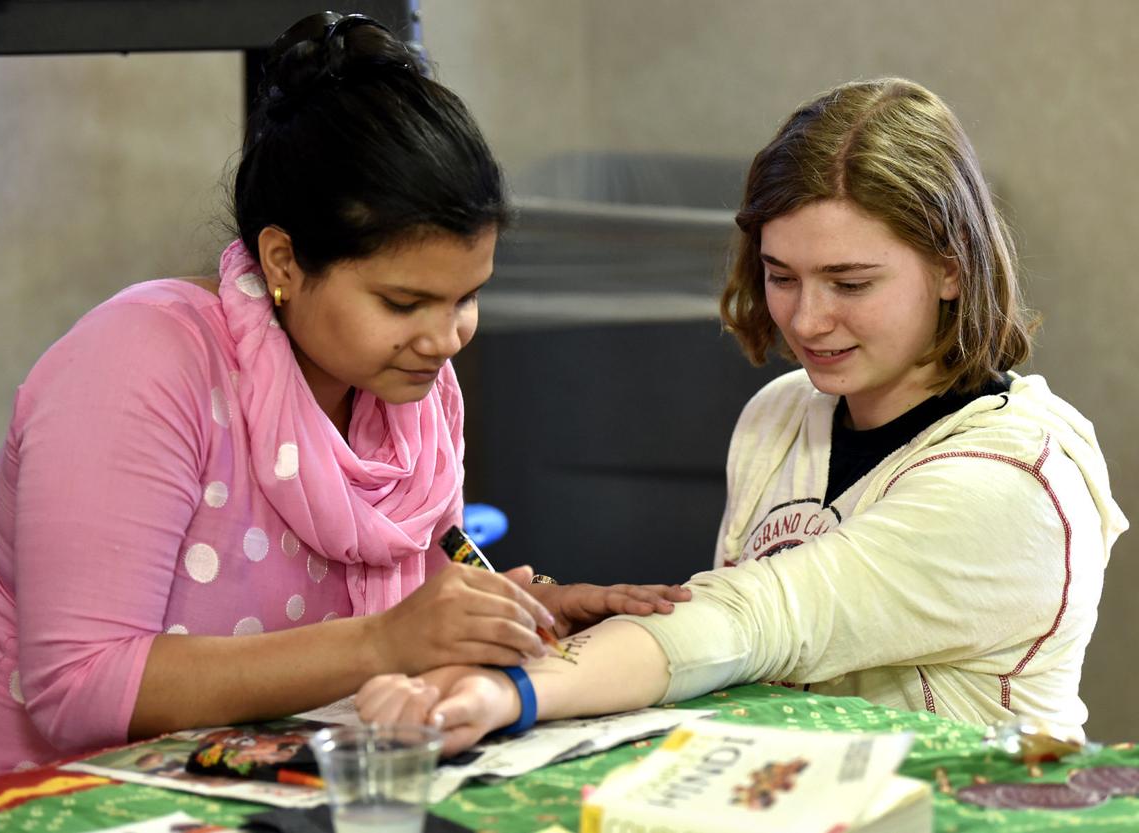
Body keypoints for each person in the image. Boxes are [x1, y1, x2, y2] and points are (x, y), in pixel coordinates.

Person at [0, 12, 687, 783]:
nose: (447, 337)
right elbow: (82, 686)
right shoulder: (138, 366)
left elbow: (415, 594)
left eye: (467, 297)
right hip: (21, 793)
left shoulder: (409, 387)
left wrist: (517, 615)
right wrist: (384, 642)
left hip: (247, 780)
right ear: (284, 260)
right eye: (403, 302)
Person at [355, 77, 1128, 755]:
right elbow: (736, 647)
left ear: (952, 268)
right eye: (780, 276)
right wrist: (558, 648)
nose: (808, 319)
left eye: (850, 282)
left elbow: (759, 616)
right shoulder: (780, 415)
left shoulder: (1014, 480)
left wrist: (515, 692)